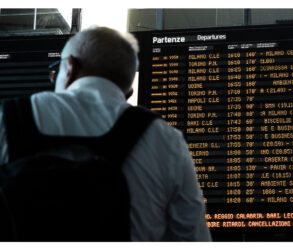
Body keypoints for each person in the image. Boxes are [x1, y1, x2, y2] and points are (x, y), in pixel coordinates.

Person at [0, 26, 211, 241]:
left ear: (70, 67)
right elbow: (192, 237)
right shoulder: (166, 139)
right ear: (128, 94)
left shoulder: (7, 118)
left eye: (56, 70)